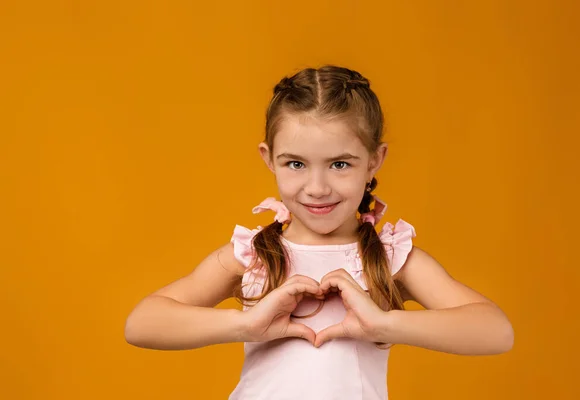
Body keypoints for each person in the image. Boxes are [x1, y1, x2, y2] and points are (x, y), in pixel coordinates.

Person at [124, 65, 514, 399]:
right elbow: (142, 323)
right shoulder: (254, 255)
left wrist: (383, 324)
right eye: (295, 163)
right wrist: (247, 324)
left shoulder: (392, 257)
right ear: (269, 159)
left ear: (374, 160)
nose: (317, 187)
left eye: (340, 164)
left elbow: (495, 331)